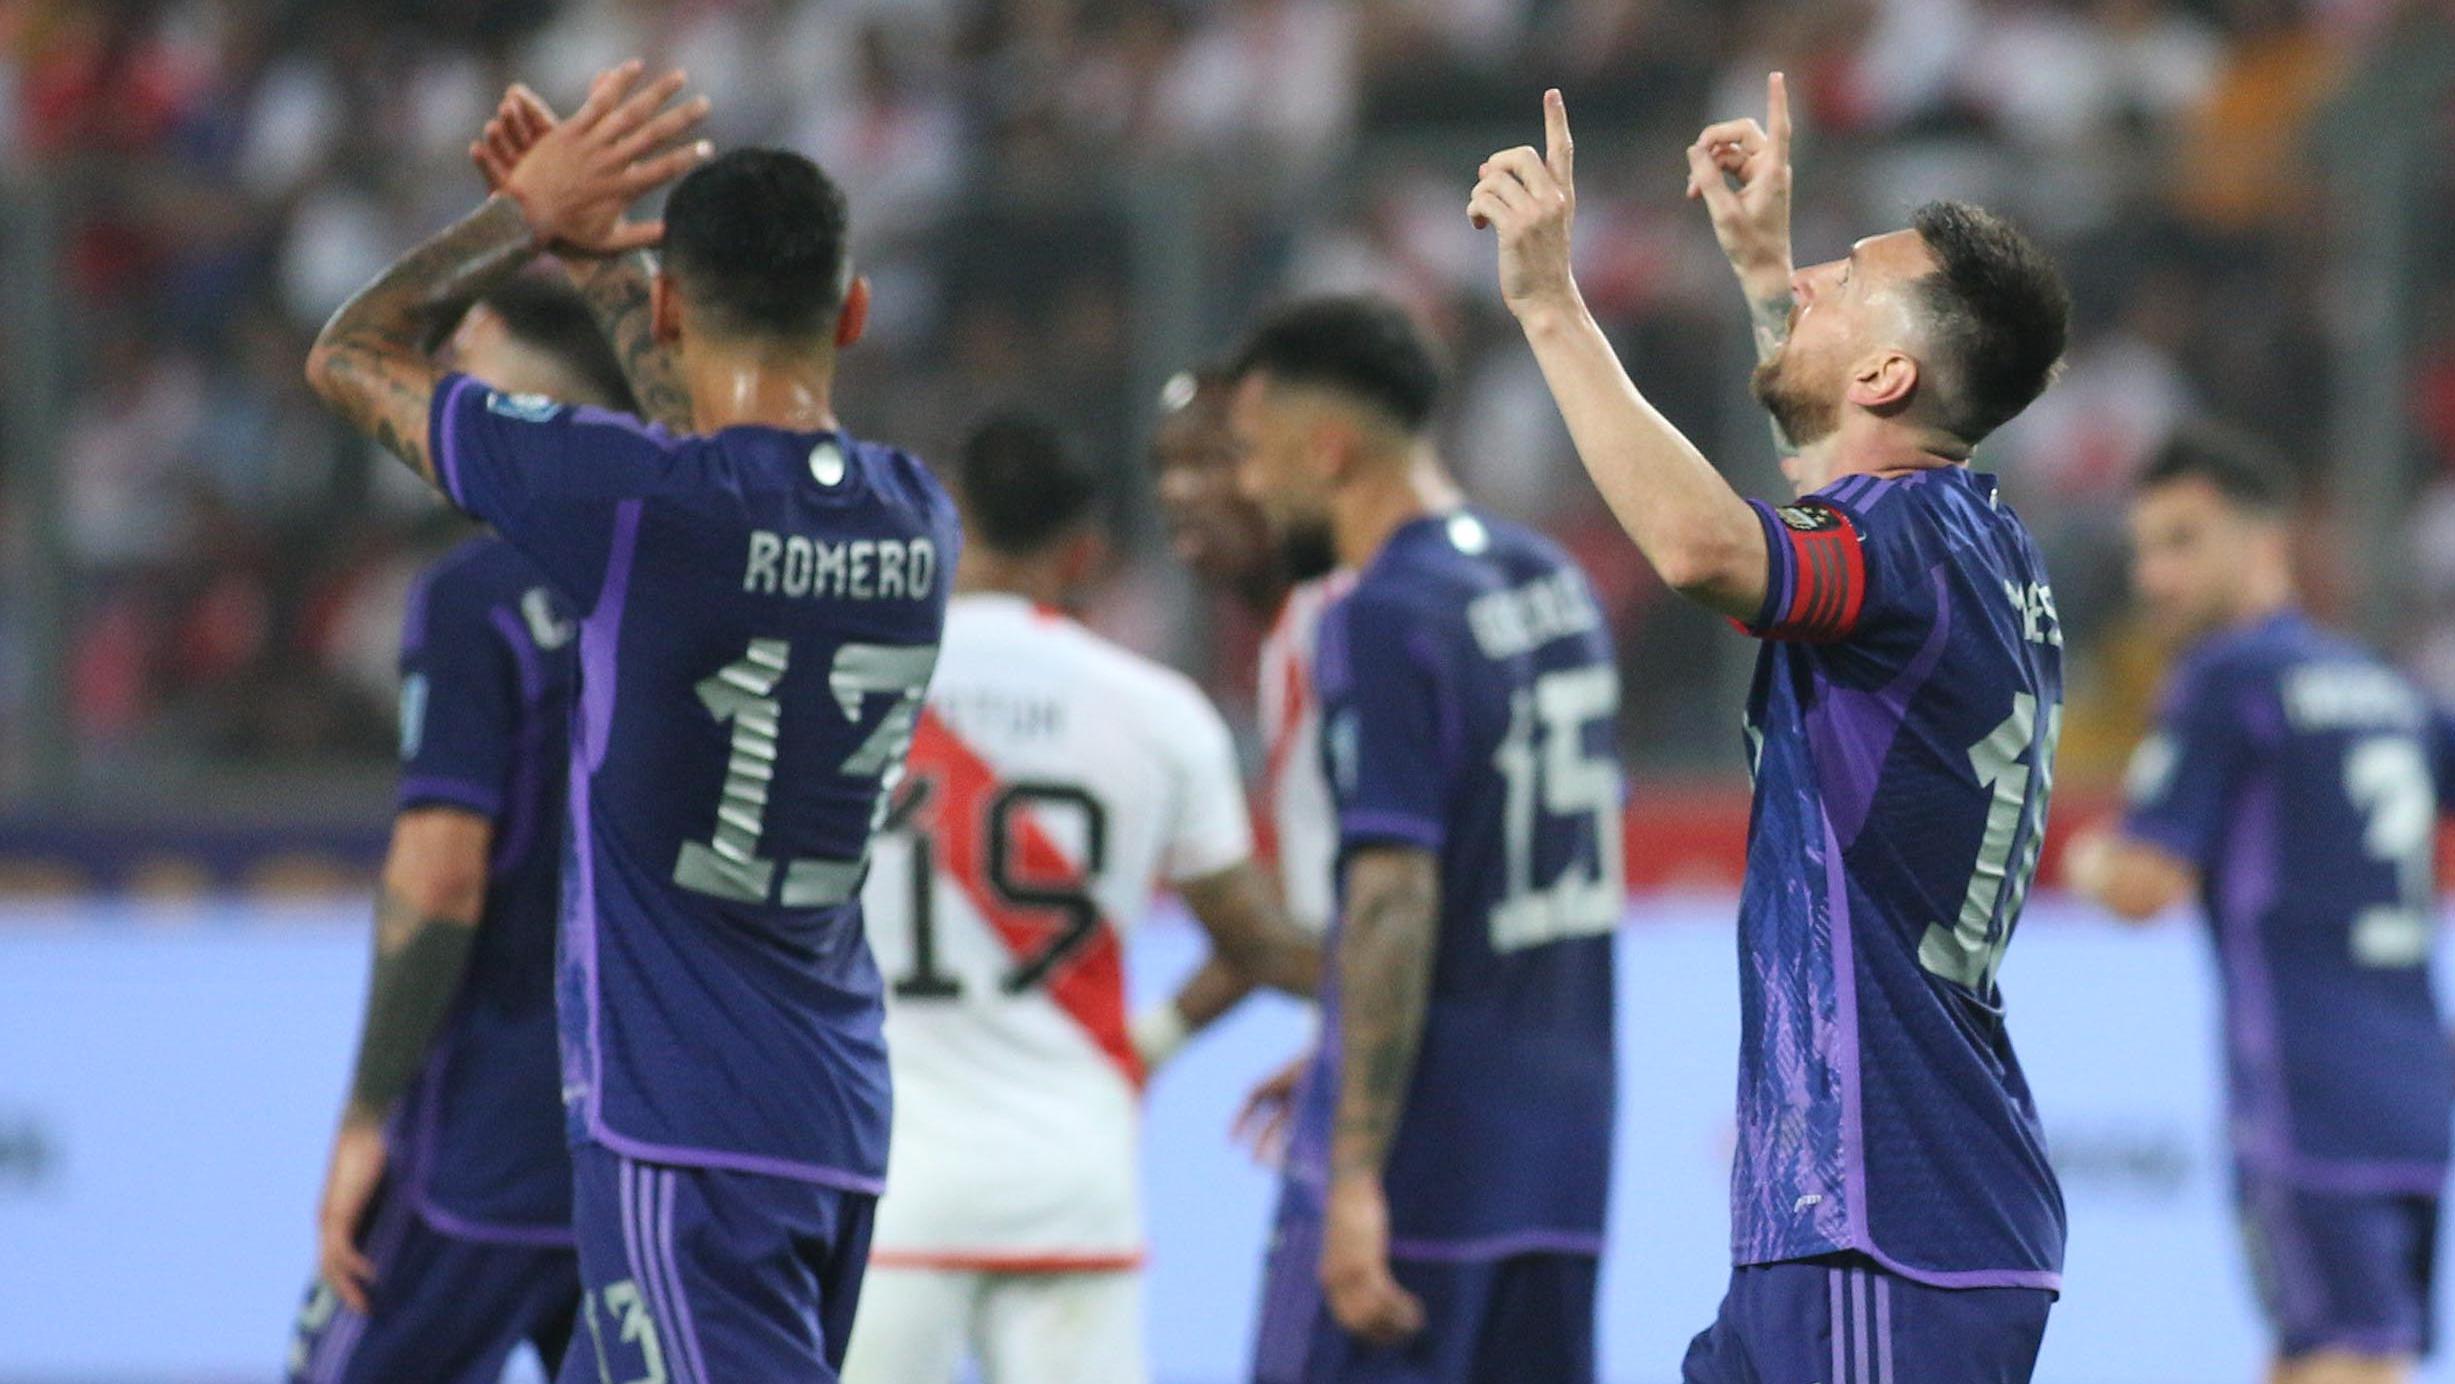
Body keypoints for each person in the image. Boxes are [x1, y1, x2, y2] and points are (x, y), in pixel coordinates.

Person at [302, 63, 961, 1382]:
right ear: (856, 312)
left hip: (679, 1131)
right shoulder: (911, 516)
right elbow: (724, 463)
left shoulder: (635, 511)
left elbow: (350, 356)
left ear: (668, 306)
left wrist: (525, 226)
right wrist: (615, 272)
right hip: (829, 1120)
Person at [1469, 78, 2072, 1378]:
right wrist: (1752, 262)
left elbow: (1701, 547)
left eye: (1835, 281)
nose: (1804, 277)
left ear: (1886, 368)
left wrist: (1546, 303)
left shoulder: (1901, 543)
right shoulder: (1971, 538)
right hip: (1876, 1219)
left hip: (1883, 1225)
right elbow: (1826, 493)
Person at [844, 412, 1320, 1384]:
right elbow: (1257, 941)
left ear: (943, 526)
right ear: (1086, 551)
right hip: (1072, 1175)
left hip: (891, 1179)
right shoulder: (1158, 712)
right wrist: (1152, 1041)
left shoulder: (851, 695)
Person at [1233, 295, 1623, 1384]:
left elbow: (1396, 896)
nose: (1252, 488)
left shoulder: (1383, 611)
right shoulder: (1554, 583)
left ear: (1329, 447)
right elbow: (1504, 866)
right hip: (1561, 1158)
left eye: (1258, 453)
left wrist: (1353, 1168)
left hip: (1428, 1165)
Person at [287, 276, 634, 1384]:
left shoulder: (480, 595)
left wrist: (364, 1119)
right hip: (663, 1126)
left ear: (503, 355)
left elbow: (438, 878)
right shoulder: (703, 575)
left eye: (460, 344)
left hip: (491, 1121)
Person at [2068, 426, 2454, 1384]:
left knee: (2344, 1356)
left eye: (2181, 542)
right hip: (2413, 1089)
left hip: (2301, 1087)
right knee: (2333, 1344)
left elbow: (2142, 888)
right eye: (2143, 551)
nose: (2153, 577)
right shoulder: (2382, 686)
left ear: (2265, 542)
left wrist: (2084, 858)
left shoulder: (2225, 680)